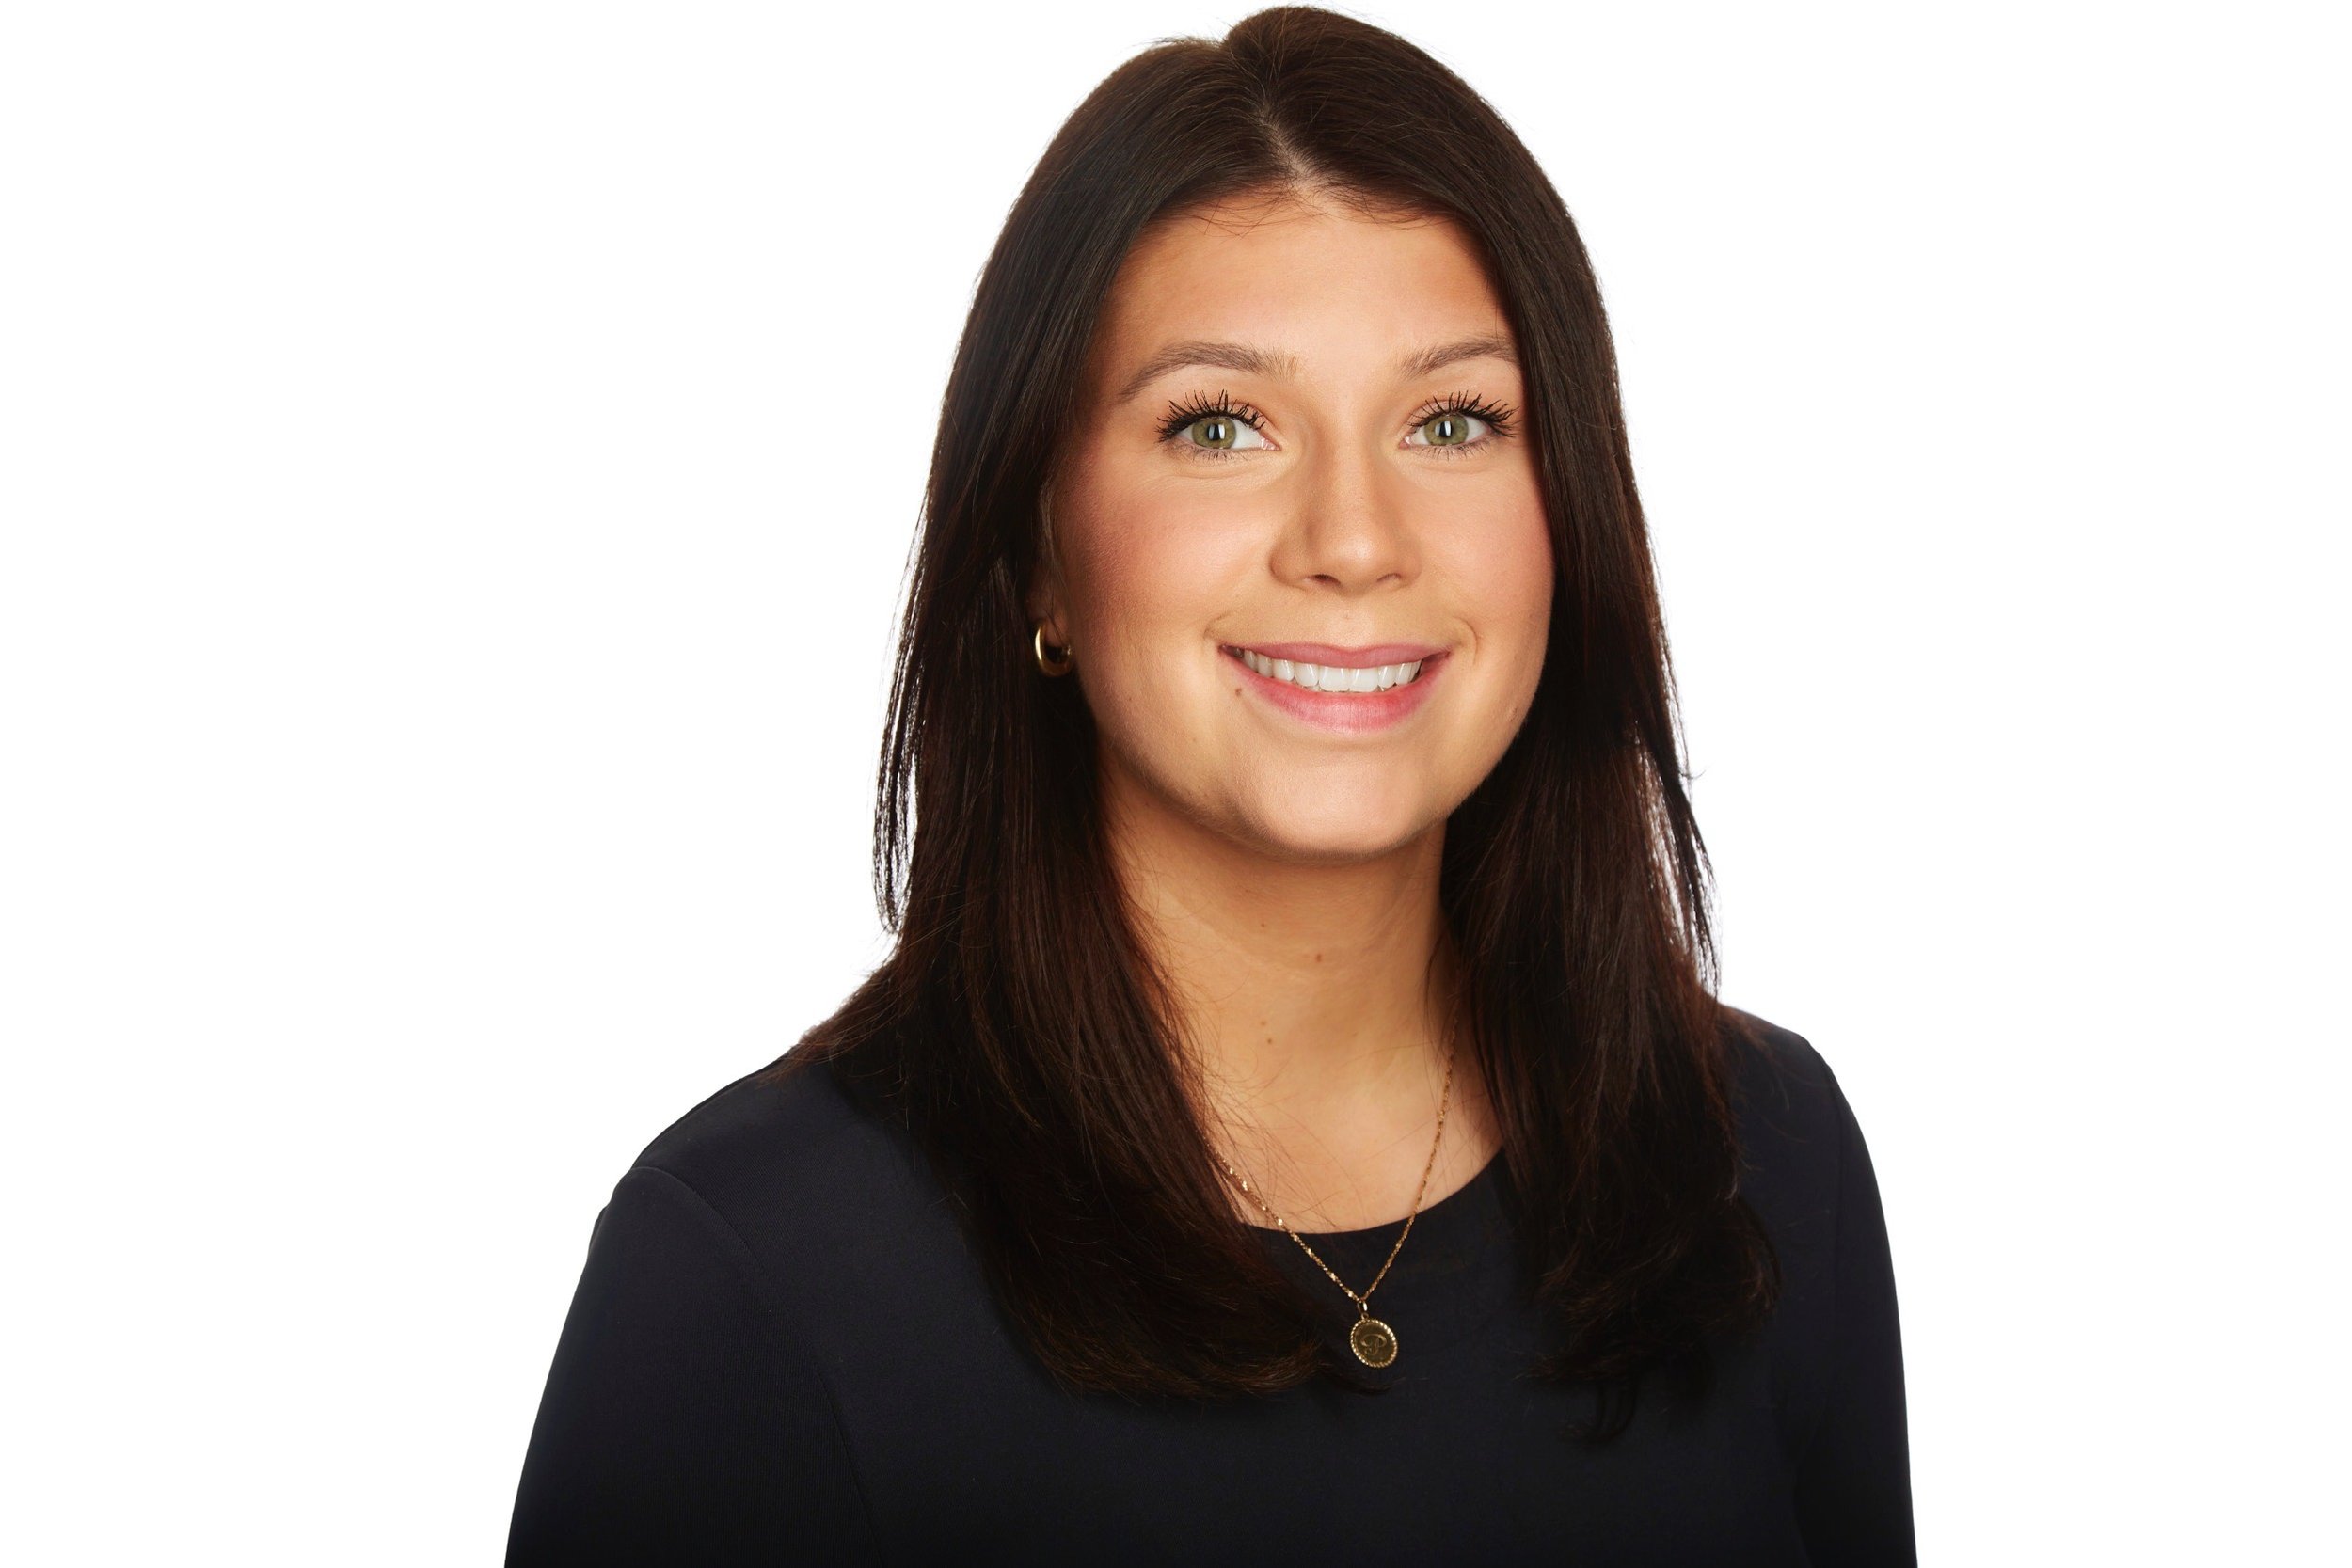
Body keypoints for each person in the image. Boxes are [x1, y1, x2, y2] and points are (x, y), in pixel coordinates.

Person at [505, 8, 1915, 1562]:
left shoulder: (1757, 1160)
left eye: (1453, 421)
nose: (1354, 537)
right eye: (1220, 424)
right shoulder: (749, 1276)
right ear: (1041, 549)